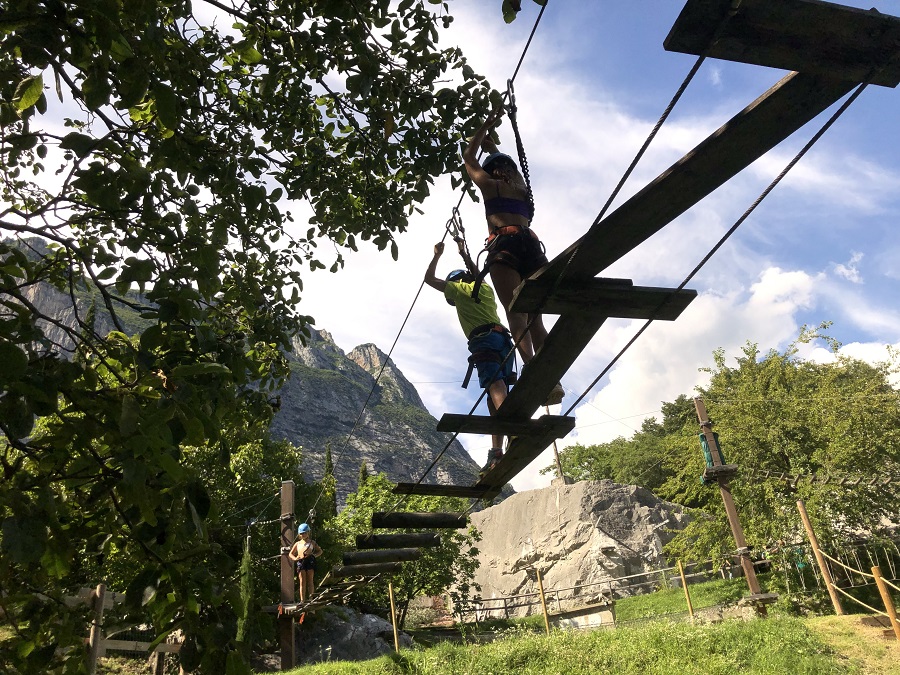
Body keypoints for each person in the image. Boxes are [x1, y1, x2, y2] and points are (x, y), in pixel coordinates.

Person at [462, 106, 564, 406]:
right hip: (530, 246)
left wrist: (485, 125)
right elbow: (503, 162)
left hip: (504, 246)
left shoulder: (490, 185)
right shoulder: (520, 187)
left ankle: (533, 368)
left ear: (493, 170)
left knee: (515, 313)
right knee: (536, 318)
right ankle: (551, 378)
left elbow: (468, 159)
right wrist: (491, 142)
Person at [425, 241, 515, 477]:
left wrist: (436, 256)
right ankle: (496, 450)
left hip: (484, 341)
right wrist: (465, 254)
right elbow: (478, 274)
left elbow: (430, 279)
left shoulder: (459, 289)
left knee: (495, 388)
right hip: (504, 342)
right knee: (495, 394)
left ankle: (513, 428)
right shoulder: (485, 290)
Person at [288, 523, 322, 606]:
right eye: (302, 533)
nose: (303, 535)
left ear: (308, 533)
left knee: (310, 580)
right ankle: (302, 600)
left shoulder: (312, 542)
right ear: (299, 534)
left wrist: (314, 556)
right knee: (302, 581)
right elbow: (290, 554)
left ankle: (311, 598)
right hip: (301, 561)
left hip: (310, 561)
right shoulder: (297, 544)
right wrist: (295, 558)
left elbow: (320, 551)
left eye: (305, 533)